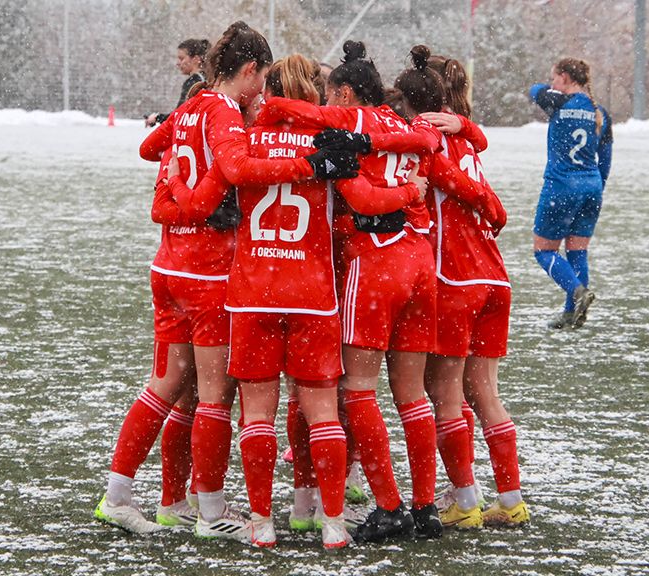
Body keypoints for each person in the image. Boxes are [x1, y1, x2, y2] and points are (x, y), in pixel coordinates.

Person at [129, 20, 357, 542]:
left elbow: (168, 162)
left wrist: (186, 196)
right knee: (320, 409)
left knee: (242, 409)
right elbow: (362, 202)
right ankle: (330, 520)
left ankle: (254, 521)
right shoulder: (329, 142)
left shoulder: (244, 138)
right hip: (309, 293)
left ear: (269, 92)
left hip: (248, 290)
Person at [260, 40, 445, 542]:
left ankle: (390, 506)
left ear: (345, 91)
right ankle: (426, 506)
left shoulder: (356, 124)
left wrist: (272, 104)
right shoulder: (409, 124)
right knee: (411, 396)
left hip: (377, 261)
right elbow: (428, 149)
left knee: (356, 389)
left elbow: (358, 192)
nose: (325, 103)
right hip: (419, 263)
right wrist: (411, 192)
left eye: (330, 93)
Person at [415, 50, 529, 529]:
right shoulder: (467, 140)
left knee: (441, 392)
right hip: (492, 277)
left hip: (454, 278)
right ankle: (510, 497)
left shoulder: (427, 143)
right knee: (483, 393)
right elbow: (472, 174)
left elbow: (443, 181)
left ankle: (465, 500)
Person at [528, 58, 613, 329]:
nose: (551, 82)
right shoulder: (601, 112)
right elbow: (606, 159)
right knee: (577, 252)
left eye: (555, 77)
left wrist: (553, 89)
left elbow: (533, 90)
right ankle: (570, 315)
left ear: (564, 77)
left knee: (544, 251)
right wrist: (597, 187)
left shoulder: (558, 102)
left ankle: (578, 293)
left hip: (561, 186)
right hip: (592, 187)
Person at [146, 39, 210, 128]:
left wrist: (157, 118)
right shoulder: (209, 79)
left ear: (196, 59)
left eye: (181, 58)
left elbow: (179, 115)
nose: (178, 63)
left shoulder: (193, 82)